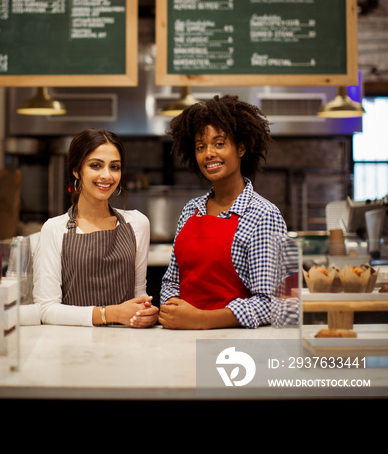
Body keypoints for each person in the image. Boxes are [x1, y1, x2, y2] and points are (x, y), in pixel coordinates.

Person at [159, 94, 289, 330]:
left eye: (219, 143)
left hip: (236, 347)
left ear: (241, 148)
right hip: (181, 340)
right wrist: (171, 307)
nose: (208, 153)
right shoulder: (190, 210)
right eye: (201, 146)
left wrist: (201, 320)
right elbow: (171, 281)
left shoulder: (263, 215)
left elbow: (272, 303)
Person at [37, 129, 159, 328]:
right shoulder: (54, 229)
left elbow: (139, 293)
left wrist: (145, 313)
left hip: (127, 343)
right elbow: (47, 309)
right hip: (73, 346)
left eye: (115, 167)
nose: (107, 176)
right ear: (77, 170)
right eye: (96, 165)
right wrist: (111, 313)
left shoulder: (138, 224)